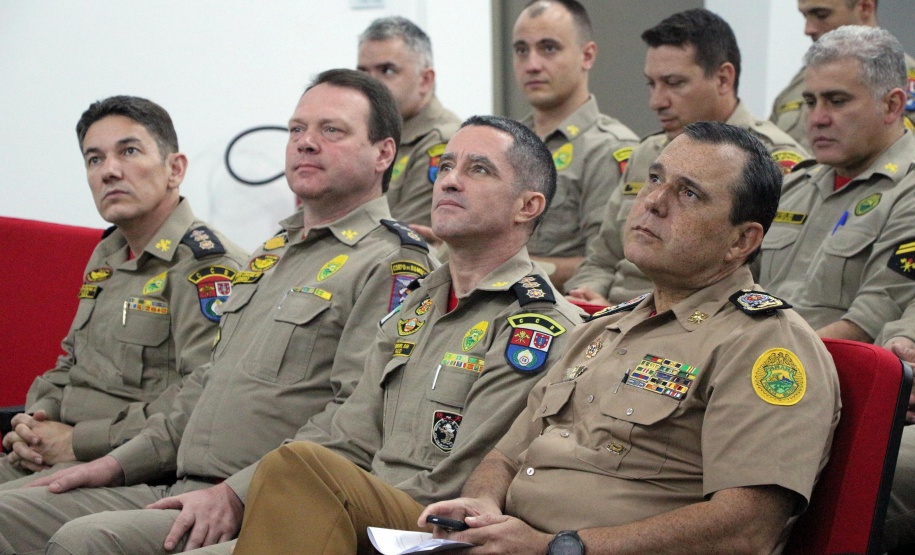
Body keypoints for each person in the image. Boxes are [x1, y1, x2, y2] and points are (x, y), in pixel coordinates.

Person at [0, 69, 437, 555]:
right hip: (175, 481)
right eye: (296, 130)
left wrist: (235, 493)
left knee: (84, 543)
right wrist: (114, 464)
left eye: (331, 130)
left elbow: (356, 417)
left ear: (383, 153)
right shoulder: (272, 255)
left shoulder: (393, 263)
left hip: (270, 502)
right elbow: (200, 389)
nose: (305, 143)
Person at [417, 121, 840, 555]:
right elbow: (504, 457)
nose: (654, 201)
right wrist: (481, 504)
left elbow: (745, 529)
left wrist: (553, 547)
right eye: (655, 179)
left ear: (741, 240)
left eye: (688, 193)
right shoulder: (601, 329)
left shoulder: (765, 345)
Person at [223, 115, 584, 555]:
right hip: (359, 509)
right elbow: (348, 436)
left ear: (527, 206)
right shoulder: (416, 304)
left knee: (299, 465)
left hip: (431, 528)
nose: (449, 181)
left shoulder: (537, 324)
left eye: (478, 169)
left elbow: (467, 476)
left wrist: (343, 497)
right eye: (445, 166)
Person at [0, 96, 247, 489]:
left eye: (129, 151)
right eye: (94, 159)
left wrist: (78, 443)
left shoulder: (205, 266)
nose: (109, 171)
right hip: (56, 449)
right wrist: (35, 423)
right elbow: (71, 360)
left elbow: (201, 399)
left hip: (131, 468)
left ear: (174, 169)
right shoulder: (109, 252)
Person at [754, 26, 915, 551]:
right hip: (762, 380)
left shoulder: (908, 190)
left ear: (893, 104)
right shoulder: (799, 181)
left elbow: (868, 321)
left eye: (837, 101)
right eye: (809, 100)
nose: (815, 117)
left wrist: (745, 370)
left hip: (825, 388)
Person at [565, 8, 808, 307]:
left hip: (697, 324)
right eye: (652, 84)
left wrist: (632, 312)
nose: (656, 102)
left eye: (674, 83)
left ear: (722, 79)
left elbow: (765, 281)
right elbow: (601, 259)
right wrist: (588, 297)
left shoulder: (773, 162)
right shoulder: (647, 153)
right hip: (613, 315)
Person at [511, 0, 639, 289]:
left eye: (549, 48)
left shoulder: (611, 148)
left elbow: (608, 262)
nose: (532, 65)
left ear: (587, 55)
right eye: (521, 50)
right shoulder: (507, 143)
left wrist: (505, 267)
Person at [357, 16, 461, 228]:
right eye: (363, 73)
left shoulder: (443, 141)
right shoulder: (368, 134)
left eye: (387, 70)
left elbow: (403, 235)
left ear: (425, 80)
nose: (370, 85)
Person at [769, 0, 915, 149]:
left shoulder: (903, 78)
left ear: (864, 7)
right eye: (811, 102)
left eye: (821, 15)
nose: (808, 29)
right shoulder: (799, 83)